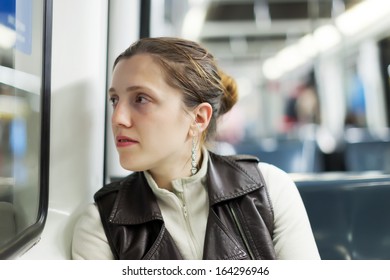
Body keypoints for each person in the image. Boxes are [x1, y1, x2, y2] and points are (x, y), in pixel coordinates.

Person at [71, 37, 320, 260]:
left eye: (141, 99)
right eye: (115, 100)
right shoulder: (101, 225)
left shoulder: (269, 190)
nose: (117, 118)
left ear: (199, 119)